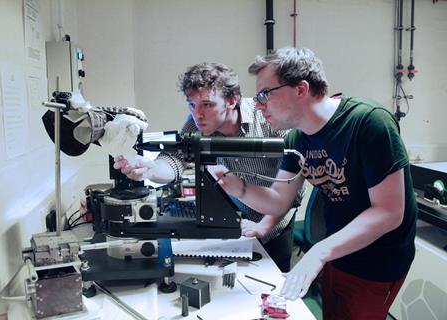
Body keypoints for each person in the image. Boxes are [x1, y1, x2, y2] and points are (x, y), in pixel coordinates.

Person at [214, 47, 417, 320]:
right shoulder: (297, 140)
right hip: (336, 250)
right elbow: (279, 200)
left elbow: (389, 213)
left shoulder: (369, 122)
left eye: (264, 94)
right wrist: (236, 186)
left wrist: (320, 252)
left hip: (377, 262)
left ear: (301, 89)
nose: (258, 104)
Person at [114, 62, 302, 272]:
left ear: (232, 100)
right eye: (191, 105)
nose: (198, 114)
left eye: (206, 104)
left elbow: (293, 186)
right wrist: (152, 170)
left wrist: (265, 225)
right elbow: (176, 158)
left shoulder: (269, 119)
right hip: (237, 218)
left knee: (273, 287)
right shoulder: (197, 124)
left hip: (273, 224)